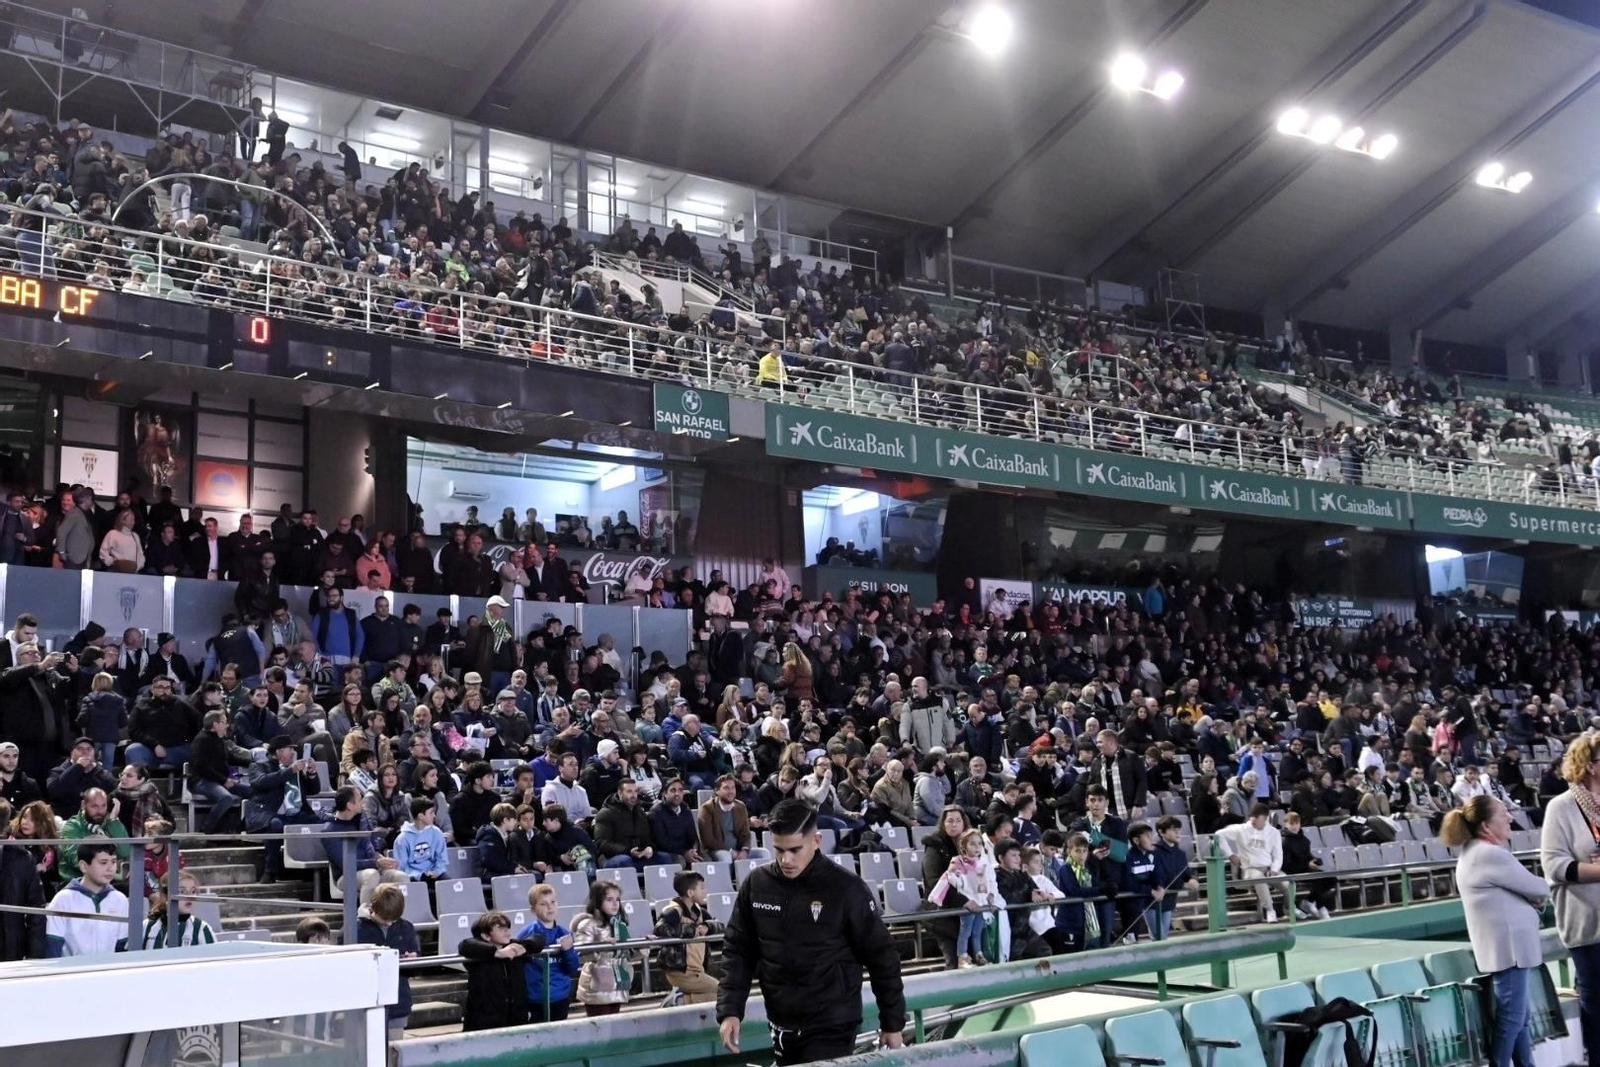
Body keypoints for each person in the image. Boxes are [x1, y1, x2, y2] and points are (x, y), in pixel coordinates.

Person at [717, 798, 905, 1063]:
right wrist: (729, 1010)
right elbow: (738, 951)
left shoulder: (847, 888)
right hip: (780, 1021)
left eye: (795, 849)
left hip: (832, 1023)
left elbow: (882, 957)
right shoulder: (757, 884)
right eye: (779, 850)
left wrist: (893, 1023)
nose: (786, 859)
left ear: (816, 840)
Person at [1447, 794, 1548, 1067]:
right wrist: (1534, 896)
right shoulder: (1490, 854)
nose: (1511, 818)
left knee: (1520, 1018)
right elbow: (1539, 887)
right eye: (1504, 814)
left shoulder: (1474, 852)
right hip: (1510, 949)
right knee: (1512, 1018)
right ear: (1486, 827)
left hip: (1505, 947)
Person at [1540, 732, 1600, 1066]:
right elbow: (1556, 866)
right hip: (1588, 924)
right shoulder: (1561, 808)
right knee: (1597, 1005)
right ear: (1590, 766)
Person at [458, 910, 543, 1031]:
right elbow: (464, 945)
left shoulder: (514, 947)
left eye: (507, 928)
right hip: (484, 1023)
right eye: (500, 928)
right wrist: (497, 953)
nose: (507, 931)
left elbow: (539, 940)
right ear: (486, 936)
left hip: (515, 1020)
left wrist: (525, 947)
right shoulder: (476, 953)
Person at [356, 883, 420, 1040]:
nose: (389, 923)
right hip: (366, 1002)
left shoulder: (406, 927)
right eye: (385, 918)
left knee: (393, 1053)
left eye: (394, 919)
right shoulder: (355, 928)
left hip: (398, 1002)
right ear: (373, 907)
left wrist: (414, 959)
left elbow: (415, 962)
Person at [44, 841, 127, 957]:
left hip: (109, 971)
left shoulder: (120, 900)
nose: (111, 868)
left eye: (113, 862)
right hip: (72, 972)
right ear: (83, 866)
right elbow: (53, 946)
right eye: (103, 863)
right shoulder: (63, 899)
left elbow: (122, 946)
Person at [654, 869, 722, 1004]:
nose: (705, 892)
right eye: (702, 888)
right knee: (723, 992)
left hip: (697, 970)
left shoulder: (699, 911)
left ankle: (683, 999)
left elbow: (720, 924)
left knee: (721, 993)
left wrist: (708, 926)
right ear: (690, 893)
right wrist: (691, 930)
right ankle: (679, 1001)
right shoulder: (673, 911)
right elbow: (660, 929)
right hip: (681, 972)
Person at [518, 883, 581, 1023]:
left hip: (560, 997)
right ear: (533, 910)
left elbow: (572, 969)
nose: (550, 907)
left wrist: (568, 951)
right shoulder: (526, 934)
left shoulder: (565, 933)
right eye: (543, 904)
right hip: (535, 999)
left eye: (553, 902)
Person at [934, 827, 996, 967]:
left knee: (977, 931)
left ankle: (978, 954)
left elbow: (991, 881)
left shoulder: (985, 864)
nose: (976, 847)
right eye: (972, 844)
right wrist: (951, 873)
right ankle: (962, 957)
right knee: (965, 931)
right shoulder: (959, 862)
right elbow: (958, 883)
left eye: (979, 843)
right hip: (969, 902)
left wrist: (991, 895)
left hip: (981, 903)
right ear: (964, 846)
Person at [572, 879, 634, 1017]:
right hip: (597, 985)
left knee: (613, 1028)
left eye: (617, 899)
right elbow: (583, 955)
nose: (615, 903)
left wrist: (643, 945)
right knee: (599, 1028)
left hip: (617, 984)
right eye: (609, 899)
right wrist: (601, 946)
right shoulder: (587, 924)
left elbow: (628, 953)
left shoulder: (620, 925)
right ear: (597, 901)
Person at [1216, 804, 1285, 923]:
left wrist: (1274, 869)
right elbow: (1218, 834)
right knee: (1259, 879)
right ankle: (1269, 910)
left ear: (1264, 819)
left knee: (1288, 883)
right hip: (1250, 869)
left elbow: (1278, 854)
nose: (1252, 823)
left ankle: (1289, 908)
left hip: (1269, 868)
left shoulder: (1274, 832)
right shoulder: (1241, 829)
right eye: (1251, 820)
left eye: (1256, 821)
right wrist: (1230, 854)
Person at [0, 797, 47, 960]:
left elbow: (36, 911)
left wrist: (35, 957)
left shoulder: (23, 858)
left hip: (10, 947)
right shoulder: (24, 858)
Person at [139, 869, 217, 949]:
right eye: (182, 891)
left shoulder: (202, 928)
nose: (189, 896)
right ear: (164, 895)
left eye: (193, 891)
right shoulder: (146, 926)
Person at [394, 797, 450, 884]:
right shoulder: (402, 839)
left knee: (449, 885)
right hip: (413, 876)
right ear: (420, 816)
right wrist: (420, 875)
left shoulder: (436, 832)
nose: (434, 816)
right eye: (431, 813)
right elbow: (402, 867)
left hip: (434, 873)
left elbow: (442, 858)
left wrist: (436, 871)